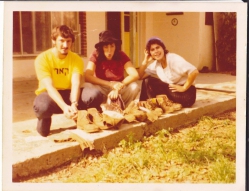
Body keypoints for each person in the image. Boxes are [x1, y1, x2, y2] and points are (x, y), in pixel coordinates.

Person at [33, 25, 86, 137]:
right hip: (50, 95)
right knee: (42, 106)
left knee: (93, 94)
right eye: (61, 41)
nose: (65, 45)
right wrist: (64, 107)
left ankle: (83, 118)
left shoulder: (76, 59)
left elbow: (76, 83)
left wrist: (74, 103)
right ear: (53, 41)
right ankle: (44, 122)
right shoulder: (43, 58)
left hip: (69, 93)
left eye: (68, 41)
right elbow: (50, 87)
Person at [82, 30, 140, 110]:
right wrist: (109, 84)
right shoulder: (96, 54)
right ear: (101, 47)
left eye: (112, 46)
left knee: (134, 87)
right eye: (106, 47)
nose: (109, 51)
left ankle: (123, 109)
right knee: (88, 86)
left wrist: (118, 86)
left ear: (115, 46)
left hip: (118, 87)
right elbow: (87, 76)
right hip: (102, 87)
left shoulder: (121, 54)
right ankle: (99, 108)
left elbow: (135, 74)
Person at [138, 37, 199, 107]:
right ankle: (144, 104)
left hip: (186, 95)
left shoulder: (173, 59)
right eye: (152, 50)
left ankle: (152, 105)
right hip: (173, 90)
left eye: (157, 48)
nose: (156, 51)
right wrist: (145, 61)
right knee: (147, 81)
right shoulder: (156, 64)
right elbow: (140, 76)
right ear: (150, 53)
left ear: (163, 48)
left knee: (149, 82)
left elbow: (194, 71)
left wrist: (184, 88)